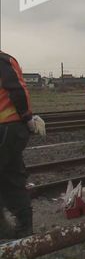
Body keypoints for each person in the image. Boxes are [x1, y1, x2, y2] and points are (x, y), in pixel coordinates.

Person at [0, 51, 39, 238]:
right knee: (12, 177)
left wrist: (26, 117)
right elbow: (16, 89)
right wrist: (27, 118)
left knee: (10, 176)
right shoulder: (4, 60)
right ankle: (23, 229)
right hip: (8, 128)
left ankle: (18, 229)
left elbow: (14, 89)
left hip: (6, 129)